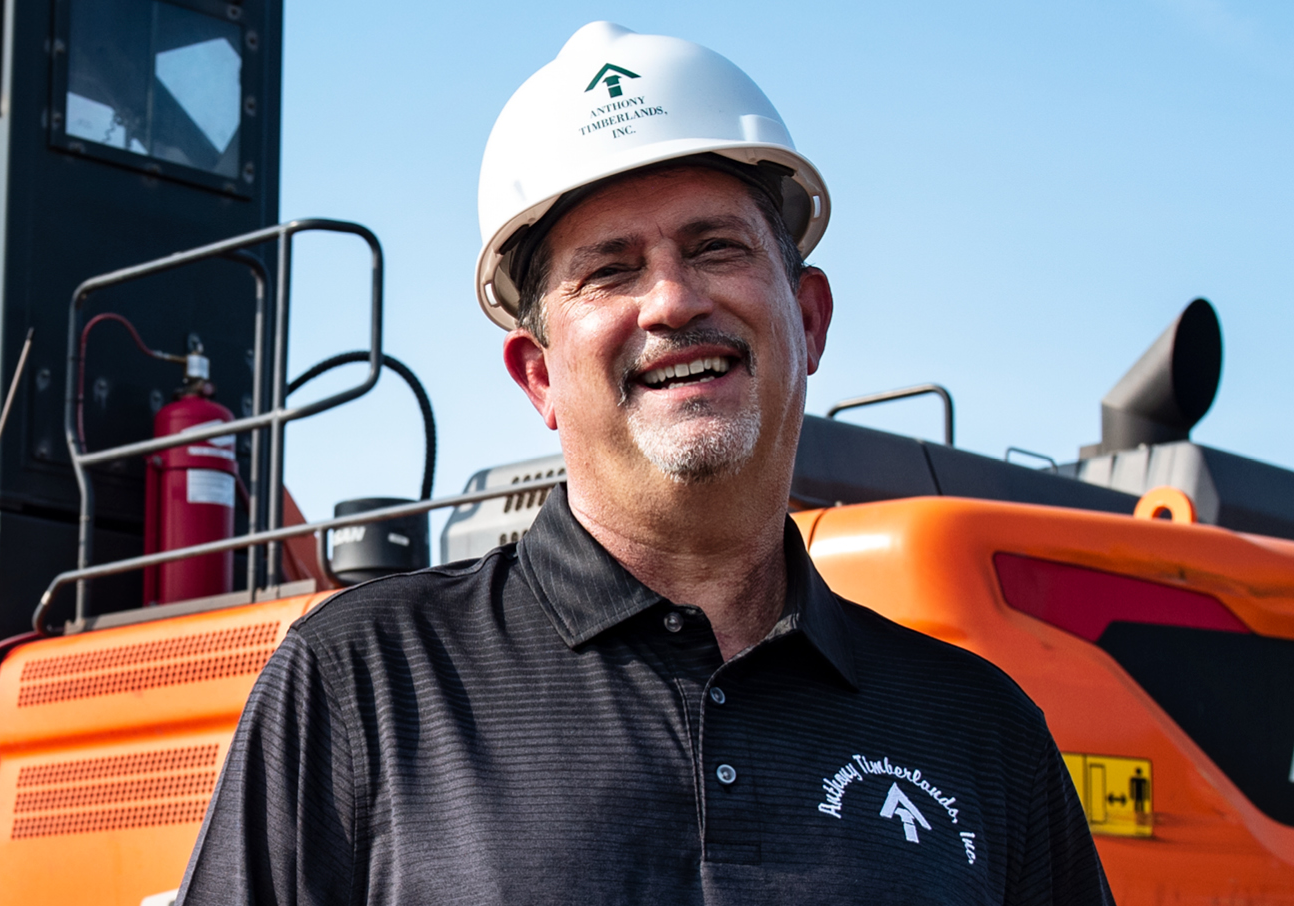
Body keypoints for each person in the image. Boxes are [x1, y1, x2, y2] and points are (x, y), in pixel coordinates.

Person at [177, 21, 1112, 905]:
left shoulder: (977, 731)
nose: (671, 300)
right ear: (537, 374)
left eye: (715, 246)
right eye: (610, 270)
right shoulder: (364, 684)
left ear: (811, 320)